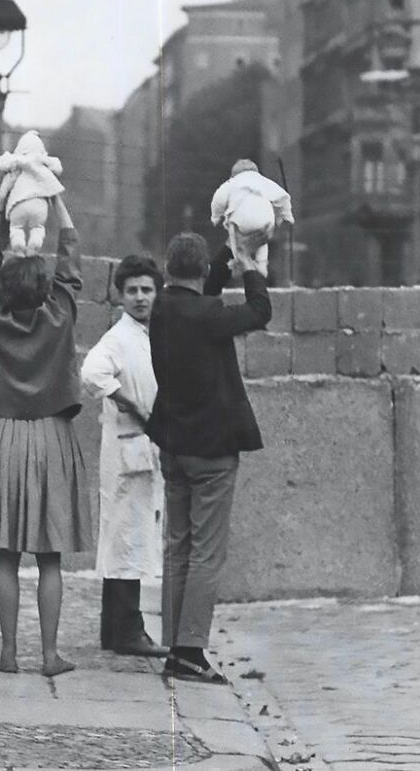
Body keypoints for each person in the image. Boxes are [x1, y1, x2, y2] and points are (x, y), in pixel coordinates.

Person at [0, 179, 92, 678]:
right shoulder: (60, 316)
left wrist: (1, 200)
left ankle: (9, 652)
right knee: (50, 558)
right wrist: (55, 194)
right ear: (46, 288)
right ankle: (49, 655)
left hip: (4, 436)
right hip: (51, 437)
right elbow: (72, 256)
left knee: (7, 556)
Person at [146, 230, 271, 683]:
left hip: (173, 446)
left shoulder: (160, 308)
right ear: (200, 272)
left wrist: (231, 247)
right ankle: (192, 650)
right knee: (206, 554)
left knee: (177, 547)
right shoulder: (208, 315)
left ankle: (176, 647)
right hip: (212, 450)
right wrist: (252, 266)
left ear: (166, 271)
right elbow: (261, 311)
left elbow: (205, 289)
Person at [81, 255, 167, 657]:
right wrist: (129, 401)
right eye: (131, 290)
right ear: (120, 295)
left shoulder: (152, 335)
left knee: (130, 538)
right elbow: (92, 372)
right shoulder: (119, 337)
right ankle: (128, 630)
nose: (139, 298)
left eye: (146, 290)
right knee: (126, 539)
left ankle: (114, 631)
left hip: (143, 449)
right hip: (126, 448)